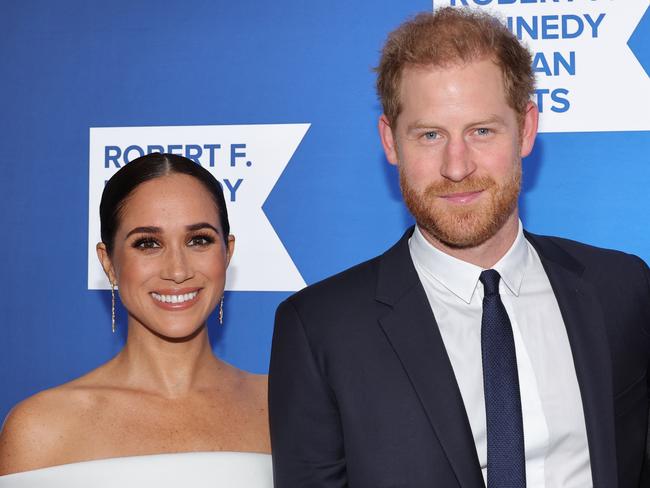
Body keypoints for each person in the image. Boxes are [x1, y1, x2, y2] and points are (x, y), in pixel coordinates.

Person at [269, 8, 650, 488]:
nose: (456, 166)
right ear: (390, 141)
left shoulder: (622, 288)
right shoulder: (320, 329)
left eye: (482, 131)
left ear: (526, 129)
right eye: (430, 135)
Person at [0, 153, 272, 487]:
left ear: (226, 253)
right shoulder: (41, 429)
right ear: (109, 262)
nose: (178, 270)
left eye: (198, 239)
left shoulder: (284, 405)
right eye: (148, 243)